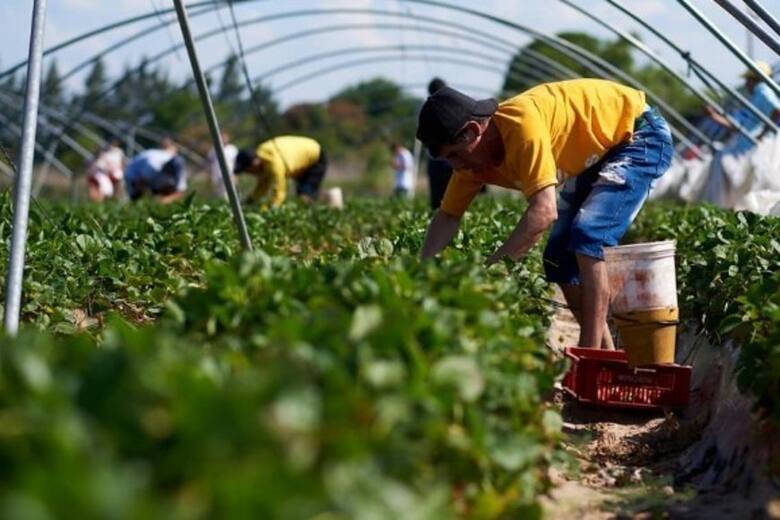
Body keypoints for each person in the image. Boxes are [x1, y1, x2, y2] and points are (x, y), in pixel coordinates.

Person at [416, 79, 673, 350]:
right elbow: (447, 217)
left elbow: (543, 211)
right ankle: (605, 353)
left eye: (455, 154)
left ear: (472, 131)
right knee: (557, 259)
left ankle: (589, 353)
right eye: (448, 159)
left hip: (637, 132)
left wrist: (493, 272)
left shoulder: (521, 127)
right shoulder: (468, 167)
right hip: (599, 151)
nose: (456, 166)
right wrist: (422, 274)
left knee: (589, 233)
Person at [700, 61, 780, 206]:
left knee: (734, 175)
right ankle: (727, 208)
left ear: (754, 79)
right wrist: (714, 117)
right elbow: (739, 127)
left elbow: (777, 111)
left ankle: (724, 208)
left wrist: (762, 133)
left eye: (748, 80)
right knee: (727, 170)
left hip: (753, 147)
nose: (746, 84)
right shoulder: (757, 95)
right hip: (746, 145)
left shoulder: (763, 91)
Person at [234, 135, 327, 207]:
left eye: (247, 170)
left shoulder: (274, 164)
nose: (249, 174)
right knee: (304, 192)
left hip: (315, 157)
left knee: (304, 195)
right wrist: (249, 202)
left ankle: (328, 198)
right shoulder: (263, 156)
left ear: (254, 163)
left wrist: (272, 210)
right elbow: (262, 186)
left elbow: (280, 193)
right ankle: (324, 198)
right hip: (303, 159)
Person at [124, 137, 187, 204]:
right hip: (134, 173)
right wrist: (154, 199)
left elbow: (181, 190)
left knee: (168, 191)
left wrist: (166, 199)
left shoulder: (178, 165)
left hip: (152, 174)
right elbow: (139, 184)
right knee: (137, 197)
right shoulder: (153, 165)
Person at [425, 77, 454, 209]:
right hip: (452, 161)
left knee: (437, 203)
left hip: (436, 161)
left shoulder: (427, 110)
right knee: (454, 201)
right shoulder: (454, 108)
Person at [207, 131, 238, 199]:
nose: (223, 139)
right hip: (216, 175)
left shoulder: (232, 149)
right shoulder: (214, 149)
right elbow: (210, 163)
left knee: (227, 194)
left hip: (229, 174)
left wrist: (235, 174)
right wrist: (209, 175)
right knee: (218, 194)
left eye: (224, 138)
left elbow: (236, 163)